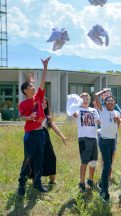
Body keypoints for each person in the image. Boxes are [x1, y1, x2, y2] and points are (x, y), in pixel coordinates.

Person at [17, 57, 51, 196]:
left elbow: (43, 82)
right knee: (28, 158)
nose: (34, 87)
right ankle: (22, 184)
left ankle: (37, 183)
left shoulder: (38, 97)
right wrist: (28, 118)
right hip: (30, 134)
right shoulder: (23, 104)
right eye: (31, 86)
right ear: (25, 90)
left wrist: (45, 67)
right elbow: (21, 117)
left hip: (40, 133)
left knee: (40, 158)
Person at [29, 98, 66, 186]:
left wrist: (62, 136)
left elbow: (54, 127)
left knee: (51, 157)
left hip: (45, 138)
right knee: (35, 159)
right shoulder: (33, 114)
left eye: (46, 103)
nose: (44, 104)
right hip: (34, 137)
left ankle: (52, 182)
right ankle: (35, 182)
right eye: (42, 102)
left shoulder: (47, 116)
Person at [94, 89, 121, 202]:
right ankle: (104, 192)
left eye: (112, 101)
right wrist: (104, 91)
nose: (110, 102)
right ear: (105, 103)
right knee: (107, 165)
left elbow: (117, 126)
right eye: (108, 101)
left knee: (108, 166)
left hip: (112, 141)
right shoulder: (102, 110)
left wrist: (118, 120)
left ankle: (101, 184)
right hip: (104, 141)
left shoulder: (117, 113)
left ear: (114, 103)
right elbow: (95, 96)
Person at [73, 92, 100, 192]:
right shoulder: (78, 110)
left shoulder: (94, 110)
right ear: (80, 101)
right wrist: (72, 105)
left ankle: (90, 180)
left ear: (89, 100)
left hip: (94, 138)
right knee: (84, 161)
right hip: (83, 139)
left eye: (87, 99)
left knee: (93, 160)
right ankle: (81, 182)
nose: (85, 100)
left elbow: (99, 121)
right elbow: (73, 114)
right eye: (83, 99)